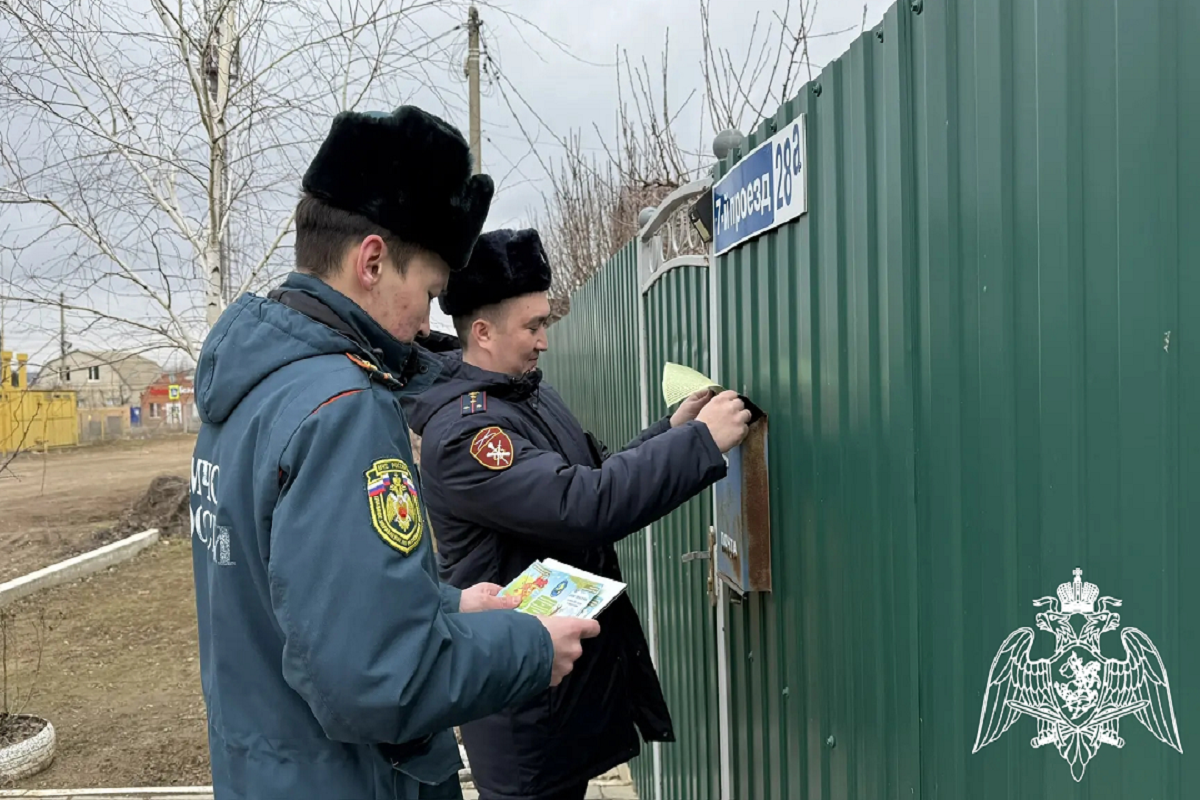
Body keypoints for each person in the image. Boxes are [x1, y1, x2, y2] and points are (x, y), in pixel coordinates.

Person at [189, 109, 599, 800]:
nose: (427, 324)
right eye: (432, 294)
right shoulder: (343, 409)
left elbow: (299, 597)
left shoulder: (252, 389)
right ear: (373, 261)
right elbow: (379, 679)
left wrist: (440, 607)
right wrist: (531, 649)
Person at [406, 228, 752, 800]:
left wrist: (673, 432)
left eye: (546, 323)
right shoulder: (469, 432)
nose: (545, 341)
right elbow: (582, 506)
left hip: (555, 689)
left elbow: (587, 475)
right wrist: (699, 445)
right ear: (483, 332)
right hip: (519, 706)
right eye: (533, 326)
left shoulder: (524, 396)